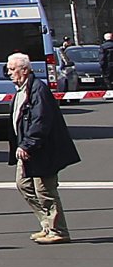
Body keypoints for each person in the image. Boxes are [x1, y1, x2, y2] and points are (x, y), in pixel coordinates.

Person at [7, 51, 80, 244]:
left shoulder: (38, 89)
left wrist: (27, 144)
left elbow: (41, 121)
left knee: (45, 190)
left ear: (24, 70)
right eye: (8, 69)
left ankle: (59, 230)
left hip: (41, 149)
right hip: (27, 149)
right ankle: (47, 225)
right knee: (23, 185)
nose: (9, 73)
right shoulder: (22, 89)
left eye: (12, 69)